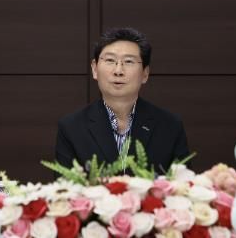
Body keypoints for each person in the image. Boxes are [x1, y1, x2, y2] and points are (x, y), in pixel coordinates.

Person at [55, 27, 189, 173]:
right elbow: (65, 185)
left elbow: (183, 183)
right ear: (95, 69)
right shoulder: (71, 128)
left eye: (129, 61)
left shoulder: (170, 126)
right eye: (110, 60)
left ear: (145, 73)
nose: (118, 71)